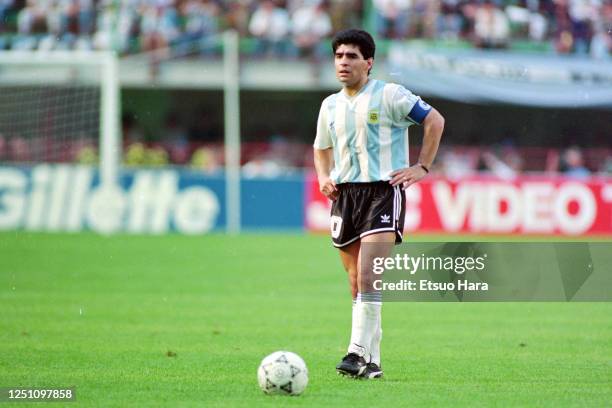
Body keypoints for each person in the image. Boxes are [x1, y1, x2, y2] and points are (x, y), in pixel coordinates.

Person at [312, 29, 444, 379]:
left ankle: (355, 352)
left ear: (368, 63)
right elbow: (321, 146)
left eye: (352, 56)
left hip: (383, 191)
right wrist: (324, 176)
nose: (343, 62)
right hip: (345, 196)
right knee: (356, 281)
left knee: (371, 273)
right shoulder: (330, 105)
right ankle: (373, 362)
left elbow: (434, 120)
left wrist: (422, 166)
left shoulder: (390, 95)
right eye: (339, 56)